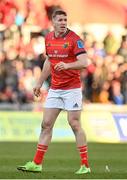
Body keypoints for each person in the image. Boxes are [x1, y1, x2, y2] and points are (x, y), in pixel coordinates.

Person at [17, 9, 91, 174]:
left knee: (75, 124)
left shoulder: (74, 39)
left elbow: (85, 61)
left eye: (65, 20)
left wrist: (68, 65)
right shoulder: (49, 38)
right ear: (53, 22)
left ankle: (85, 165)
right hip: (55, 89)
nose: (63, 22)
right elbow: (49, 61)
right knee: (46, 125)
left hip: (72, 89)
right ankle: (37, 164)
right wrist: (39, 82)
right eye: (60, 20)